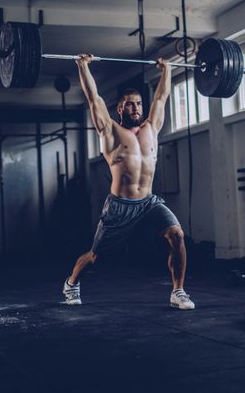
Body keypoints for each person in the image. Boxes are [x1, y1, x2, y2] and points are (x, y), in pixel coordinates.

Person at [62, 54, 195, 310]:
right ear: (120, 109)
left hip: (149, 202)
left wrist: (167, 69)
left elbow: (161, 98)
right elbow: (94, 99)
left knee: (177, 235)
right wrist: (83, 66)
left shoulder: (151, 129)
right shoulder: (110, 131)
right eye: (129, 105)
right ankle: (71, 282)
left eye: (138, 104)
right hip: (120, 206)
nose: (135, 108)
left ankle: (178, 291)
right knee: (96, 257)